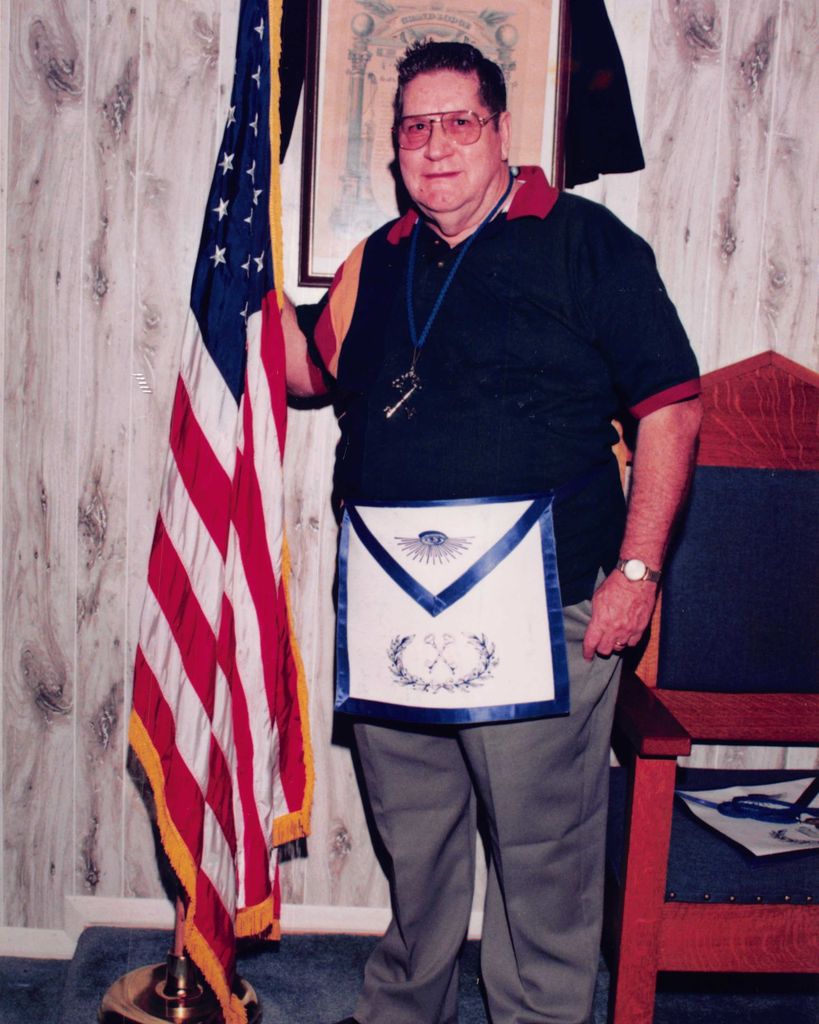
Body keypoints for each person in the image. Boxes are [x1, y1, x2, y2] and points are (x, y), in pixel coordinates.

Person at [282, 40, 702, 1024]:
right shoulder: (376, 260)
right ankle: (403, 1009)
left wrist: (637, 571)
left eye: (459, 122)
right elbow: (307, 372)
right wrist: (237, 298)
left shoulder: (587, 243)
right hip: (391, 605)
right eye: (415, 128)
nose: (435, 146)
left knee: (541, 852)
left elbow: (673, 409)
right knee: (415, 837)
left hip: (540, 609)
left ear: (501, 129)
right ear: (396, 145)